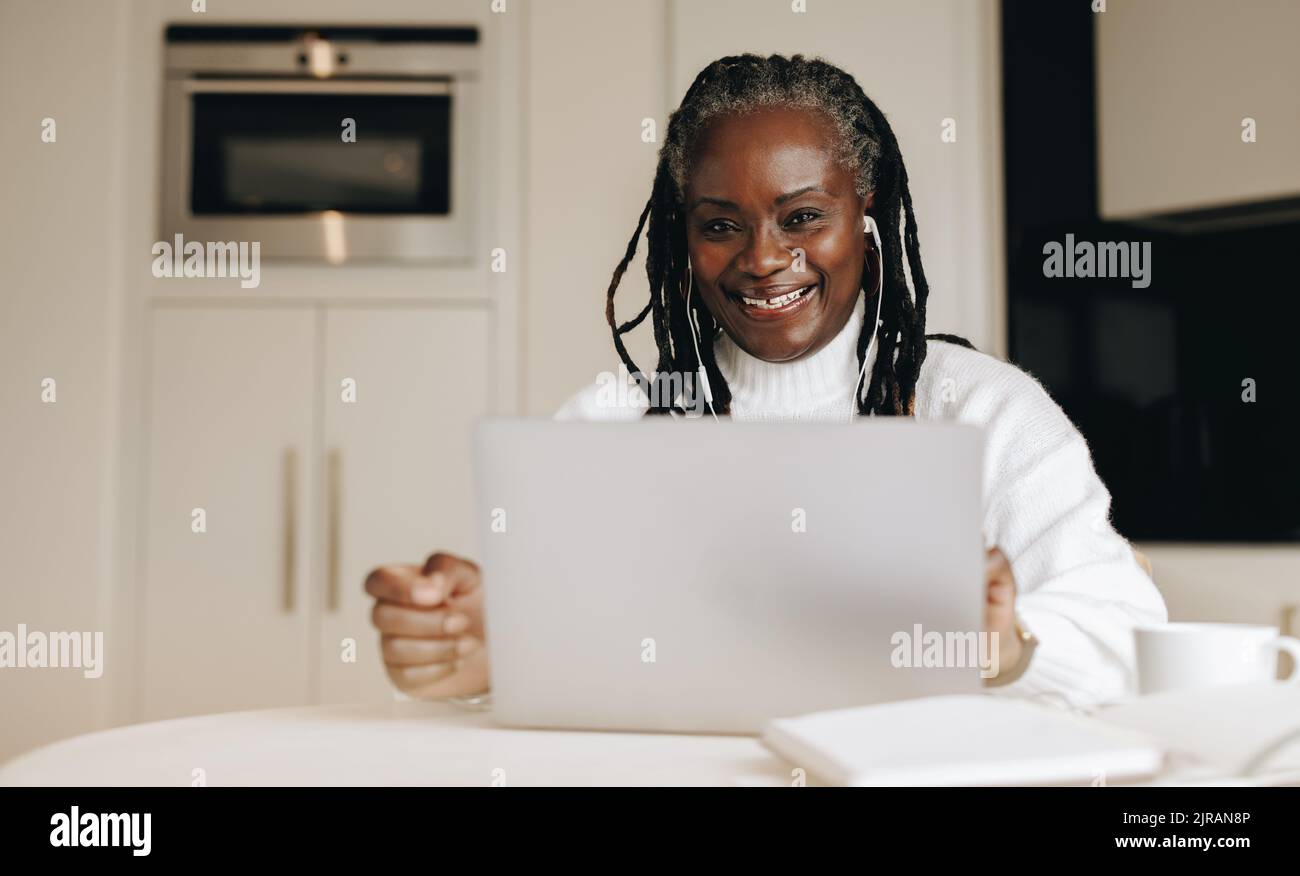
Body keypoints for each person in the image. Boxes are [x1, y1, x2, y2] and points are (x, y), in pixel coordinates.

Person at [365, 54, 1166, 711]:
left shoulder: (986, 411)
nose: (761, 257)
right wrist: (473, 659)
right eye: (721, 225)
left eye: (803, 217)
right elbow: (540, 661)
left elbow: (1130, 645)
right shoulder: (616, 422)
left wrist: (1005, 646)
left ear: (867, 210)